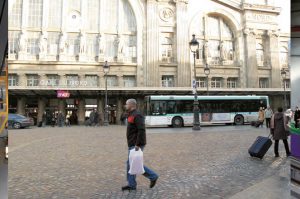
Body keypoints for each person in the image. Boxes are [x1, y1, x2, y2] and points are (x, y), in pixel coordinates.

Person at [122, 99, 159, 191]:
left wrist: (138, 144)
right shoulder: (130, 114)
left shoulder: (137, 115)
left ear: (131, 105)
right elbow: (121, 118)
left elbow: (141, 130)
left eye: (126, 104)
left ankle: (153, 176)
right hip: (132, 143)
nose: (125, 106)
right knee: (131, 164)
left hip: (136, 144)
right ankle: (132, 184)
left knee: (133, 164)